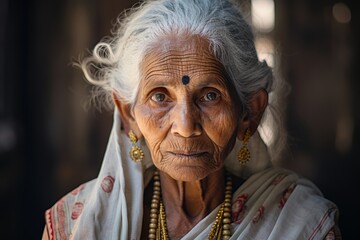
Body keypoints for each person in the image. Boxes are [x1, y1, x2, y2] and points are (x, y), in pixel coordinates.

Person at [42, 0, 341, 239]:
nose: (185, 126)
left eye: (210, 96)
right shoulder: (74, 226)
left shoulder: (300, 225)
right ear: (127, 113)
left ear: (250, 111)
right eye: (160, 97)